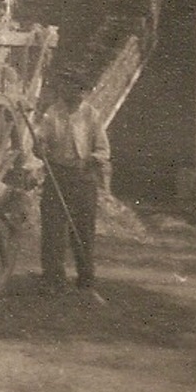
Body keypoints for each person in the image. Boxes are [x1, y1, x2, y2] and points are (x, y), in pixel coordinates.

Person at [37, 69, 112, 304]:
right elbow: (41, 142)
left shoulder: (92, 116)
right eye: (69, 89)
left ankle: (86, 282)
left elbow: (103, 150)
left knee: (83, 232)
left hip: (83, 180)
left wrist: (90, 161)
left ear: (84, 93)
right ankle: (53, 282)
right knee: (53, 232)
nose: (75, 94)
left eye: (79, 90)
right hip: (57, 176)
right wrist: (39, 149)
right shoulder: (52, 114)